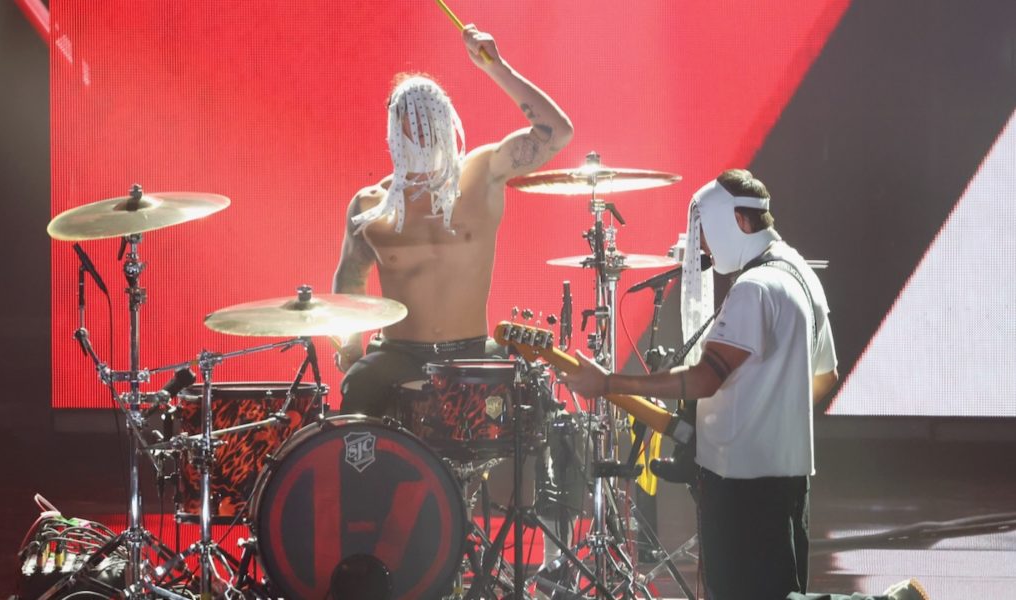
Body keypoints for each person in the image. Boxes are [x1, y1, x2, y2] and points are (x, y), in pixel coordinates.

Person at [561, 169, 840, 600]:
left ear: (739, 223)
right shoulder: (802, 274)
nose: (703, 248)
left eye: (706, 234)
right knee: (783, 592)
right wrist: (774, 418)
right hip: (789, 478)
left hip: (741, 484)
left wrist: (607, 381)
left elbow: (704, 379)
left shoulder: (753, 288)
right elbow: (826, 377)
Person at [331, 25, 573, 419]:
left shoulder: (482, 173)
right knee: (356, 392)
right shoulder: (371, 204)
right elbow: (350, 279)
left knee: (525, 412)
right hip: (396, 354)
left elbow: (557, 132)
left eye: (429, 115)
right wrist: (350, 345)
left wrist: (496, 67)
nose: (421, 127)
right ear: (395, 127)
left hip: (472, 352)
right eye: (410, 117)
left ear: (447, 118)